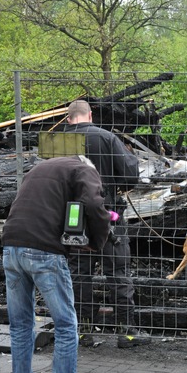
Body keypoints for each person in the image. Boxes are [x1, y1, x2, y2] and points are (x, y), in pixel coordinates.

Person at [2, 155, 111, 373]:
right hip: (44, 253)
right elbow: (94, 204)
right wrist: (98, 242)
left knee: (19, 326)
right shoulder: (84, 169)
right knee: (65, 324)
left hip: (11, 247)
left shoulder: (41, 168)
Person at [65, 99, 151, 348]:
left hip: (74, 217)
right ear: (90, 115)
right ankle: (126, 333)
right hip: (109, 212)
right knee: (118, 272)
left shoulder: (57, 141)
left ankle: (82, 331)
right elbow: (129, 174)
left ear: (69, 119)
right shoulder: (106, 138)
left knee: (80, 274)